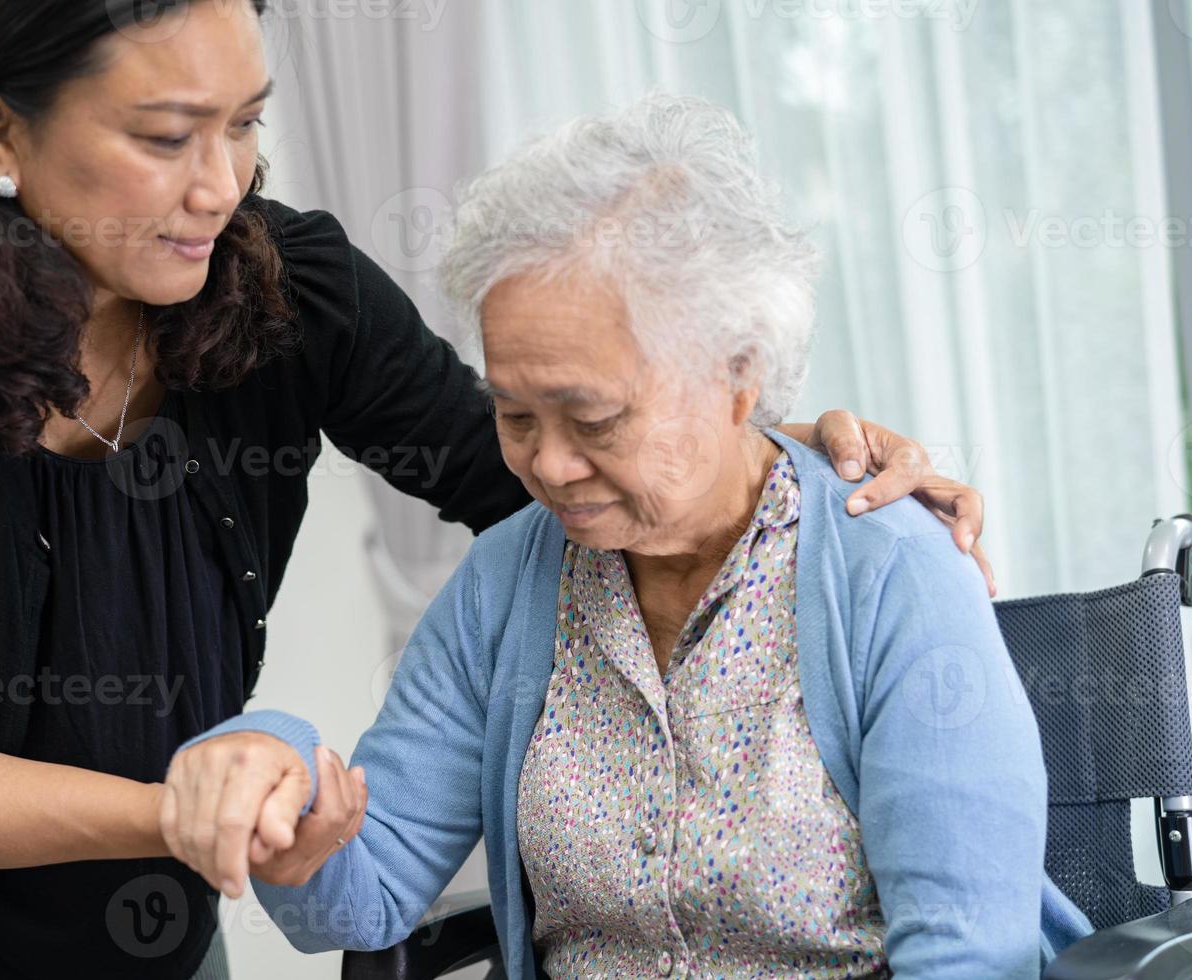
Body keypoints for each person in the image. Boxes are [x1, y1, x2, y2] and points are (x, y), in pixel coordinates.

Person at [0, 3, 994, 977]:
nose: (222, 186)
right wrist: (226, 785)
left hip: (156, 894)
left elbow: (518, 462)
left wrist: (777, 445)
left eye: (245, 122)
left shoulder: (283, 289)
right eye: (166, 136)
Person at [232, 94, 1093, 978]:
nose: (548, 465)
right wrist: (274, 785)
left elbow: (965, 956)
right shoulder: (505, 583)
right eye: (515, 413)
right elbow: (362, 891)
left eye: (595, 419)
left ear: (739, 376)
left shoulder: (890, 574)